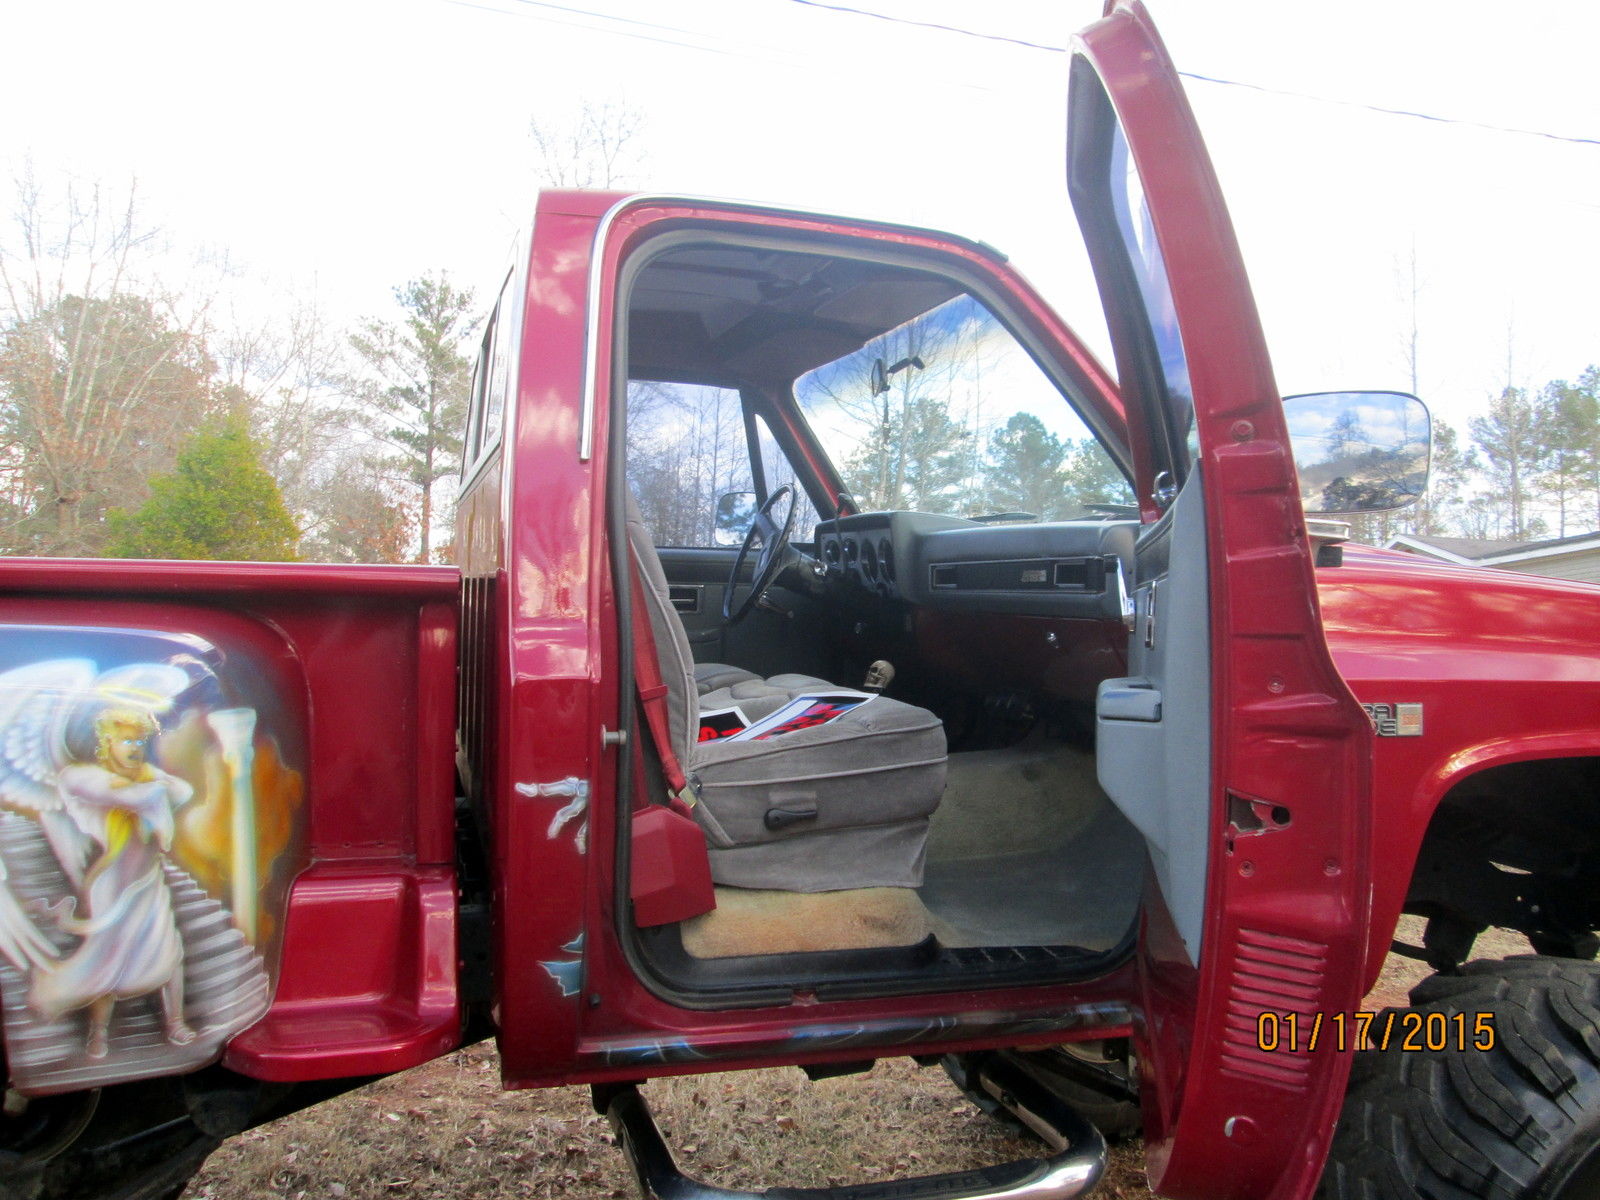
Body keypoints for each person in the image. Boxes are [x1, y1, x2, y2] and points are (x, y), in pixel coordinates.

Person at [29, 707, 197, 1058]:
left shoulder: (148, 775)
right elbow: (124, 795)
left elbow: (182, 791)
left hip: (149, 882)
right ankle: (98, 1033)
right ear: (108, 743)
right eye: (125, 740)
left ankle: (176, 1023)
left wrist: (153, 783)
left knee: (171, 952)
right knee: (107, 959)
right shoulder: (92, 778)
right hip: (113, 885)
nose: (134, 747)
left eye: (139, 740)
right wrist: (147, 788)